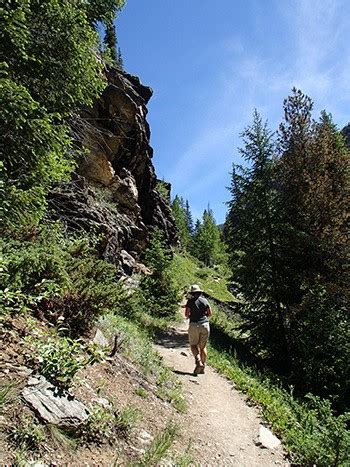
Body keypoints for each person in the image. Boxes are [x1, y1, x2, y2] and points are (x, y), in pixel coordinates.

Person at [185, 284, 212, 375]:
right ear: (200, 293)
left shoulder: (190, 302)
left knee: (193, 345)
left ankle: (198, 361)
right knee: (203, 347)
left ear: (192, 293)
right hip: (205, 324)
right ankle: (202, 367)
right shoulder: (205, 301)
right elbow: (209, 313)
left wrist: (191, 316)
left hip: (194, 325)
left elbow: (186, 314)